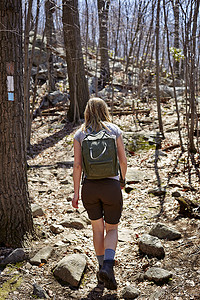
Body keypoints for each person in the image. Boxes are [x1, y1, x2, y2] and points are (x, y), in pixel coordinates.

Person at [72, 97, 127, 290]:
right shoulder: (114, 130)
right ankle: (108, 267)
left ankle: (101, 268)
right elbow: (123, 161)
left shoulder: (80, 134)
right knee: (112, 229)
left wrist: (76, 193)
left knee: (97, 229)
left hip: (90, 188)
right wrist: (122, 180)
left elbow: (78, 165)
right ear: (104, 110)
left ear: (87, 112)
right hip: (111, 187)